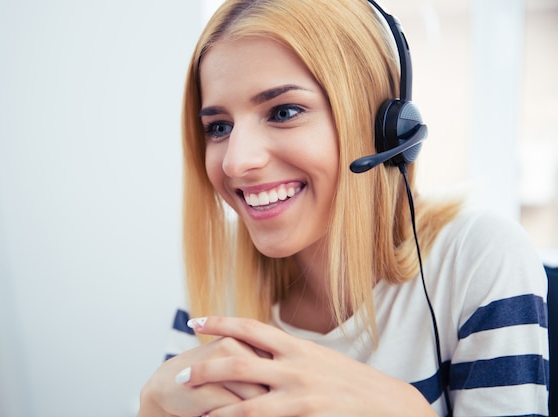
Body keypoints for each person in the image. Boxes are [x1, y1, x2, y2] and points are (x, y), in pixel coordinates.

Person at [139, 0, 549, 416]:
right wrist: (151, 407)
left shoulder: (476, 259)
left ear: (381, 125)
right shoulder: (221, 266)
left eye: (283, 112)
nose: (236, 161)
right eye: (219, 127)